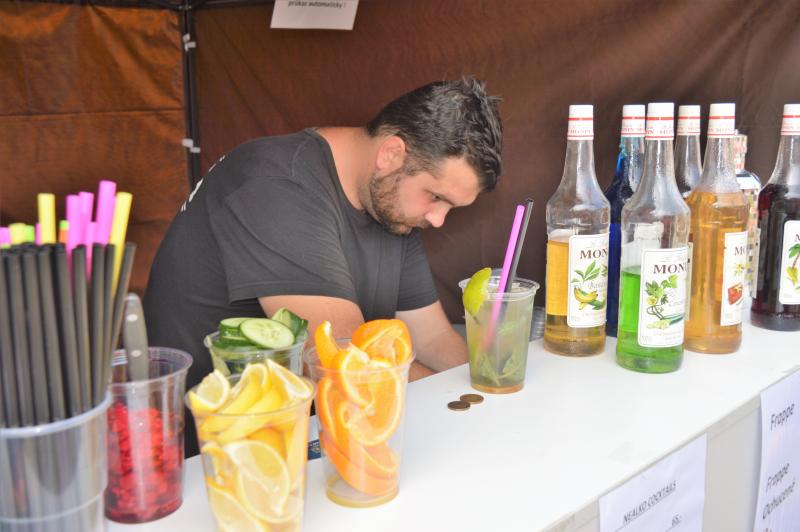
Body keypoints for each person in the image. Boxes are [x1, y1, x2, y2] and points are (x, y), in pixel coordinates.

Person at [143, 77, 503, 455]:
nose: (438, 219)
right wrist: (462, 405)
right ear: (391, 154)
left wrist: (491, 390)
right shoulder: (278, 183)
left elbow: (431, 339)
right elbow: (342, 361)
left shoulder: (394, 208)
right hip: (211, 453)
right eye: (436, 197)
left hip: (303, 431)